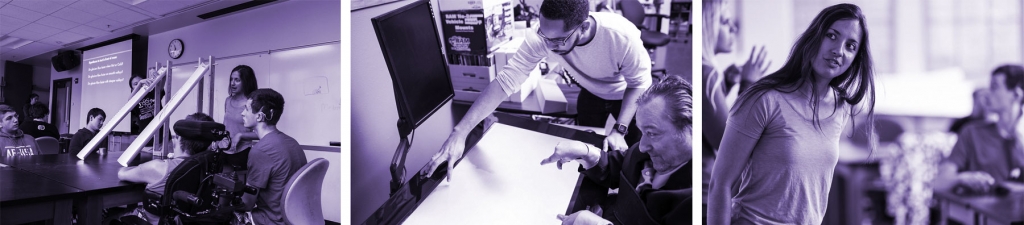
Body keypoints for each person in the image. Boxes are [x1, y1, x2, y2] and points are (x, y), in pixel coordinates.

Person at [426, 0, 653, 180]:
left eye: (558, 40)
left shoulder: (621, 36)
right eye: (545, 37)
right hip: (591, 92)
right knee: (589, 155)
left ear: (583, 27)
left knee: (630, 158)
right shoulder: (545, 37)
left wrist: (620, 130)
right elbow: (506, 81)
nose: (548, 45)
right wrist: (460, 133)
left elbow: (639, 84)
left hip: (627, 95)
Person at [707, 3, 876, 224]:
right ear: (814, 37)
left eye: (850, 46)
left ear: (856, 58)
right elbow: (720, 183)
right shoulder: (764, 99)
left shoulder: (841, 108)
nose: (838, 50)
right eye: (831, 36)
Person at [542, 75, 693, 225]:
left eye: (652, 133)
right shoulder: (647, 150)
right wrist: (586, 152)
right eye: (642, 131)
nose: (642, 146)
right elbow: (620, 165)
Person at [112, 112, 218, 224]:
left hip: (154, 222)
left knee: (111, 217)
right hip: (187, 220)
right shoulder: (211, 167)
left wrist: (141, 169)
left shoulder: (159, 167)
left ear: (179, 138)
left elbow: (121, 173)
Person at [939, 65, 1024, 193]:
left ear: (1016, 95)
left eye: (994, 87)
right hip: (980, 209)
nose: (987, 93)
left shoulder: (1019, 138)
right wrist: (960, 178)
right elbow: (939, 183)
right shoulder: (972, 133)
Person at [237, 88, 307, 225]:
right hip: (296, 218)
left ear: (259, 116)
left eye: (246, 109)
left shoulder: (260, 151)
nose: (242, 113)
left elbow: (247, 204)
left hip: (271, 220)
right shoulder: (292, 143)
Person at [223, 65, 260, 169]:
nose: (232, 83)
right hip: (224, 149)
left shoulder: (252, 104)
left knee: (236, 183)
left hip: (241, 152)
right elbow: (226, 125)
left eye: (237, 80)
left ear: (246, 82)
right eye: (231, 79)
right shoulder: (228, 100)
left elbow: (261, 134)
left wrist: (240, 135)